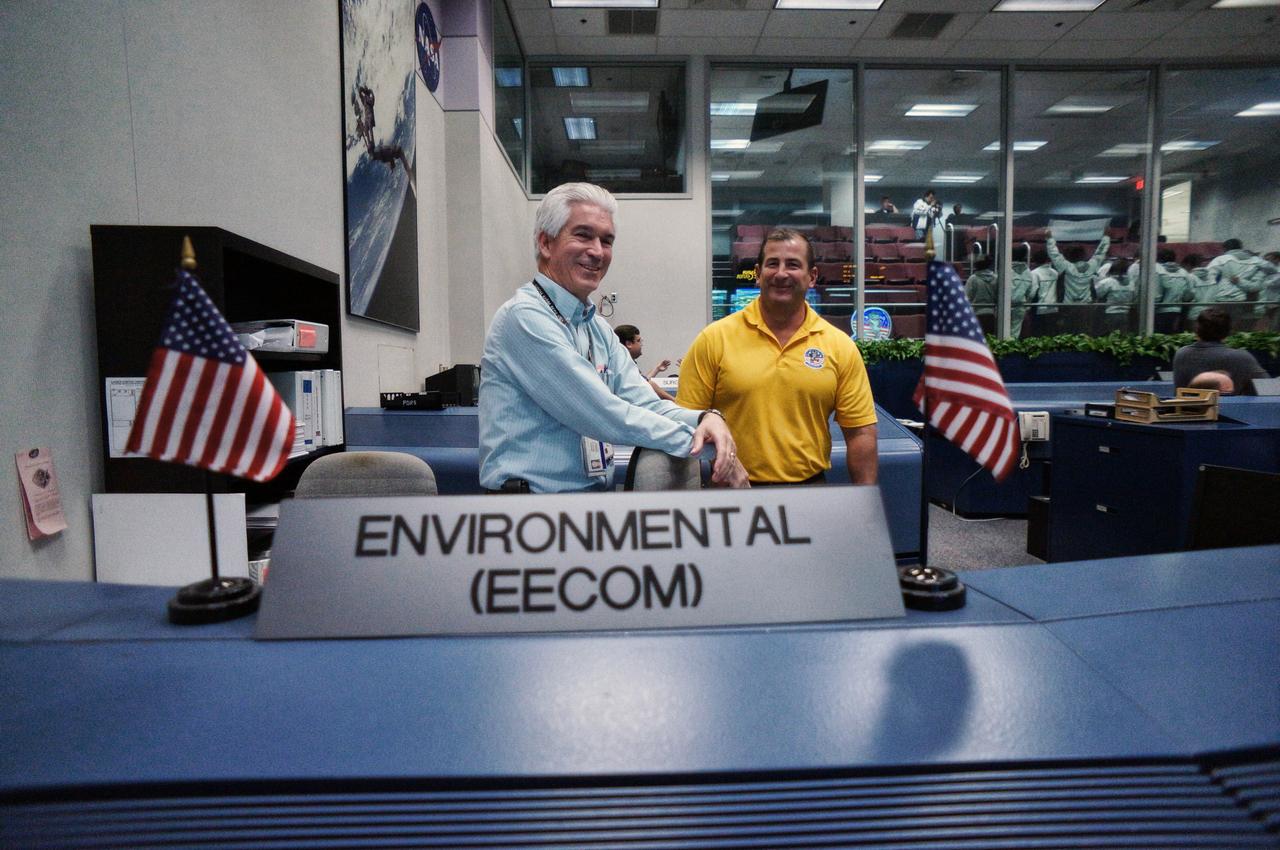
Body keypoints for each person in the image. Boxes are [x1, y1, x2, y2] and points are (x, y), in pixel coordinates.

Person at [478, 182, 748, 493]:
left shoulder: (597, 329)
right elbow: (604, 414)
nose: (597, 251)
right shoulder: (524, 318)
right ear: (546, 243)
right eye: (583, 235)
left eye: (606, 241)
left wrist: (705, 418)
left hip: (592, 507)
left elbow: (646, 404)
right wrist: (707, 445)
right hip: (532, 516)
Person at [677, 228, 879, 486]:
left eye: (793, 264)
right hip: (733, 492)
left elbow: (860, 432)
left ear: (812, 276)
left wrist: (865, 504)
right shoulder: (714, 339)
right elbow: (686, 423)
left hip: (809, 494)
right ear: (758, 275)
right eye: (773, 264)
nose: (781, 273)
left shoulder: (840, 347)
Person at [1172, 308, 1269, 395]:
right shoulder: (1242, 357)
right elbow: (1267, 386)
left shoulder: (1181, 354)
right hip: (1232, 413)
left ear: (1196, 331)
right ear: (1228, 333)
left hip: (1189, 412)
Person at [1046, 229, 1109, 332]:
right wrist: (1106, 237)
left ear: (1069, 256)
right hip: (1086, 307)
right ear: (1083, 255)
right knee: (1085, 332)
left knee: (1069, 333)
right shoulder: (1092, 266)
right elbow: (1100, 252)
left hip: (1069, 307)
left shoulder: (1066, 266)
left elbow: (1054, 254)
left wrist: (1049, 238)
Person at [1207, 238, 1280, 325]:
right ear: (1241, 247)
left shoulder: (1221, 259)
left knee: (1219, 324)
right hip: (1240, 298)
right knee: (1234, 324)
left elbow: (1209, 277)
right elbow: (1273, 269)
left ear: (1225, 249)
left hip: (1221, 297)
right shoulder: (1255, 260)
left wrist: (1210, 298)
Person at [613, 323, 675, 401]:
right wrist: (676, 402)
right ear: (629, 344)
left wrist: (657, 369)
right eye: (638, 341)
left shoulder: (624, 362)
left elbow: (642, 380)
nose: (641, 345)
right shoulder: (621, 365)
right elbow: (647, 383)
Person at [1184, 253, 1245, 327]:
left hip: (1194, 312)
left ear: (1188, 265)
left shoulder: (1189, 277)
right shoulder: (1212, 277)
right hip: (1210, 313)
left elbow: (1189, 295)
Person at [1153, 248, 1194, 334]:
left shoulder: (1158, 271)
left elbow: (1157, 295)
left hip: (1160, 310)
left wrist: (1153, 307)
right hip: (1177, 310)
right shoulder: (1183, 272)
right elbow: (1190, 294)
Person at [1094, 258, 1136, 334]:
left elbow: (1097, 293)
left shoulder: (1108, 282)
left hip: (1110, 314)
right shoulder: (1132, 282)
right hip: (1126, 314)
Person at [1027, 248, 1060, 336]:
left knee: (1038, 333)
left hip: (1039, 308)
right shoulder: (1055, 273)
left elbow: (1032, 292)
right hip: (1054, 307)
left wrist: (1027, 305)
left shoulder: (1034, 273)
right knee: (1052, 334)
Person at [964, 253, 997, 337]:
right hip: (991, 314)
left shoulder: (973, 279)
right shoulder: (995, 278)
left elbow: (966, 297)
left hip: (976, 314)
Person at [1010, 245, 1035, 337]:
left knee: (1001, 331)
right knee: (1015, 332)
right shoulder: (1028, 272)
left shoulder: (1006, 269)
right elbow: (1030, 292)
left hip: (1004, 306)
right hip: (1020, 306)